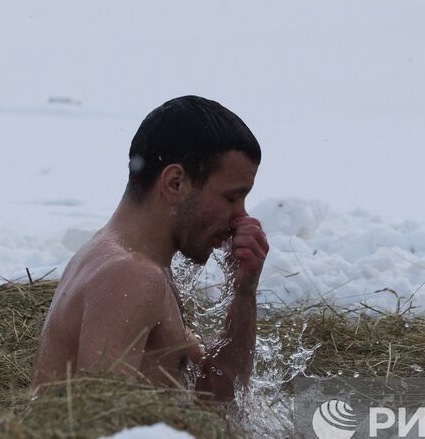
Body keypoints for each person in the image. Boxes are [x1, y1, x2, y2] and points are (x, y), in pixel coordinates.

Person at [32, 95, 268, 402]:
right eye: (231, 197)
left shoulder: (132, 263)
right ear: (175, 183)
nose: (241, 217)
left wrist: (243, 293)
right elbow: (94, 424)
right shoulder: (129, 276)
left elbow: (217, 398)